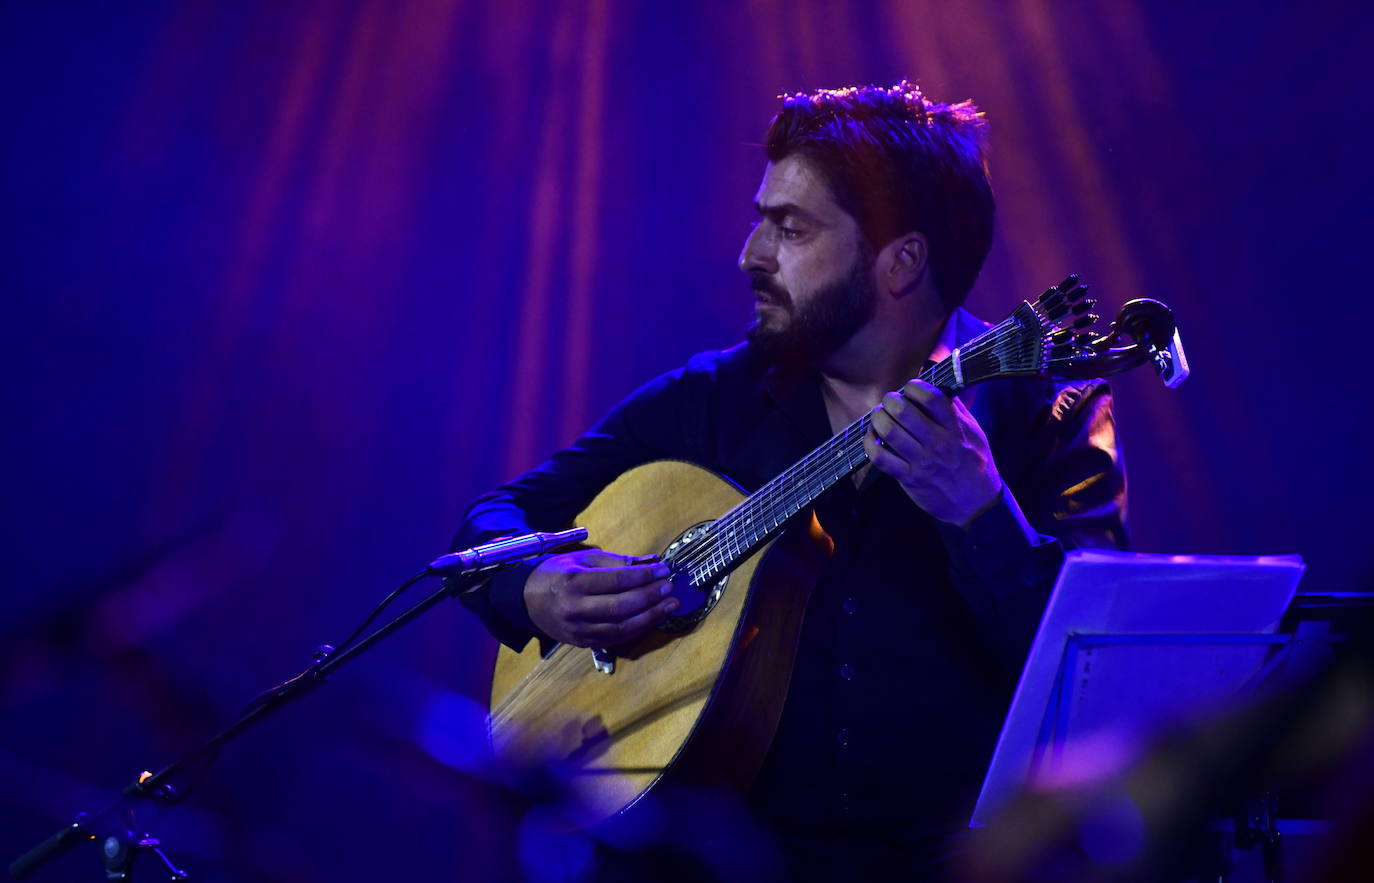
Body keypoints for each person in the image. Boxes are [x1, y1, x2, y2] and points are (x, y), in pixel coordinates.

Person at [453, 81, 1126, 880]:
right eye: (760, 219)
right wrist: (535, 584)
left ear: (900, 261)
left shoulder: (1051, 412)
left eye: (790, 228)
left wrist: (981, 513)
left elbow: (1104, 673)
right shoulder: (711, 400)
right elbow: (491, 524)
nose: (751, 255)